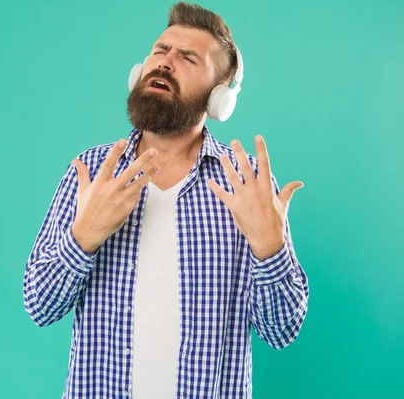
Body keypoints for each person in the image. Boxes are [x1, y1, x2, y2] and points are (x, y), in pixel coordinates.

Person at [23, 2, 309, 398]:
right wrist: (84, 237)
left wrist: (268, 248)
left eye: (188, 58)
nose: (165, 63)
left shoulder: (247, 186)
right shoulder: (92, 171)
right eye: (160, 51)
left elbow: (281, 332)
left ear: (219, 98)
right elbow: (40, 306)